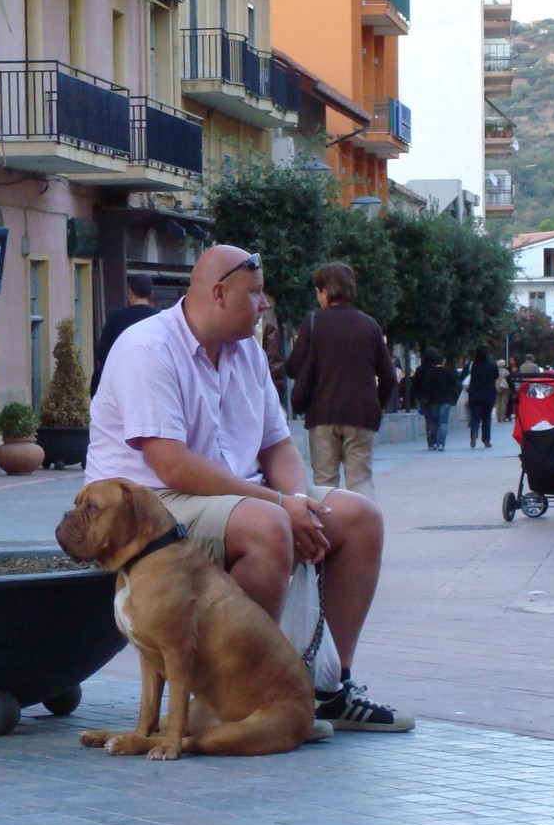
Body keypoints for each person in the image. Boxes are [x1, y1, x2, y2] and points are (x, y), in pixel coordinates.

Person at [87, 245, 411, 732]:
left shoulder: (247, 353)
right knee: (268, 526)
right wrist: (281, 507)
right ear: (219, 294)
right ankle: (227, 700)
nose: (264, 305)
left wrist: (301, 505)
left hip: (232, 493)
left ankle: (327, 690)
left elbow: (277, 445)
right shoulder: (146, 348)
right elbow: (172, 465)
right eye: (255, 294)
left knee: (359, 517)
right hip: (150, 506)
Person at [285, 263, 396, 499]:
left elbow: (293, 368)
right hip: (361, 414)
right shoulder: (370, 325)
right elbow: (388, 376)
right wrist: (377, 405)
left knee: (325, 481)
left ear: (324, 291)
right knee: (361, 479)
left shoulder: (314, 323)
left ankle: (329, 533)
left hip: (322, 415)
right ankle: (365, 531)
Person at [89, 273, 158, 396]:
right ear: (151, 294)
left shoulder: (115, 318)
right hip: (153, 385)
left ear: (130, 293)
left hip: (122, 386)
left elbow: (103, 354)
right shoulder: (161, 319)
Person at [413, 348, 455, 451]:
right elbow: (454, 384)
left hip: (430, 399)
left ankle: (432, 442)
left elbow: (418, 385)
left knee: (431, 421)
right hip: (444, 400)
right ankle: (441, 443)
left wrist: (420, 396)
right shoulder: (446, 372)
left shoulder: (423, 370)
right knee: (443, 422)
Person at [465, 344, 497, 449]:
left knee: (475, 417)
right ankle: (486, 440)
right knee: (487, 418)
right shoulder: (492, 365)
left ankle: (474, 433)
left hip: (475, 394)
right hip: (489, 394)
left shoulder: (474, 365)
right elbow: (496, 376)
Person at [494, 358, 511, 423]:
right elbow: (509, 379)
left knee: (498, 403)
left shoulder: (495, 370)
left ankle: (497, 417)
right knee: (504, 403)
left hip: (496, 387)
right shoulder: (506, 371)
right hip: (504, 388)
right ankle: (502, 417)